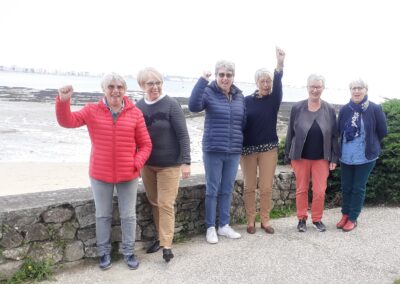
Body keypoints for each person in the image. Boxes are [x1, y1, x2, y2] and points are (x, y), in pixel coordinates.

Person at [55, 73, 152, 270]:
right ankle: (103, 252)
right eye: (111, 86)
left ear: (124, 90)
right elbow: (68, 121)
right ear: (104, 89)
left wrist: (136, 163)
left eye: (119, 87)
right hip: (100, 173)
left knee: (128, 215)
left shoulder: (135, 113)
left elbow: (146, 145)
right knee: (102, 215)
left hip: (128, 174)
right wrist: (63, 102)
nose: (115, 90)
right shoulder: (92, 110)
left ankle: (128, 252)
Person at [136, 67, 191, 262]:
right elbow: (134, 136)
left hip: (170, 164)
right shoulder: (138, 106)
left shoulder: (171, 104)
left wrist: (186, 162)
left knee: (166, 203)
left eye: (158, 82)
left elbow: (183, 135)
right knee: (154, 202)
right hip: (147, 164)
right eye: (150, 83)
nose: (155, 87)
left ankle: (167, 245)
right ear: (142, 85)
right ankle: (160, 238)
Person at [189, 60, 245, 244]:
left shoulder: (239, 96)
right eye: (221, 74)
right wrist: (202, 81)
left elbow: (242, 121)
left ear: (233, 77)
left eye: (228, 75)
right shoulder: (208, 92)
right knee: (212, 190)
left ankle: (224, 226)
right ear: (216, 76)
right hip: (213, 149)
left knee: (227, 189)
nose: (225, 78)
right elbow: (193, 106)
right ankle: (211, 227)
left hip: (234, 150)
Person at [284, 74, 338, 232]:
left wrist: (334, 157)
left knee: (320, 191)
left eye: (318, 86)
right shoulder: (297, 108)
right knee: (301, 189)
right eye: (312, 86)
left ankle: (317, 219)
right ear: (307, 87)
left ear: (323, 88)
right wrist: (288, 155)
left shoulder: (329, 109)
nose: (315, 90)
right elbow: (290, 133)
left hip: (322, 157)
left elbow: (334, 135)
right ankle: (301, 219)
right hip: (300, 157)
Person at [241, 47, 285, 235]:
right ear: (257, 82)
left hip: (269, 149)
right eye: (263, 81)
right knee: (249, 187)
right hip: (248, 150)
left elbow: (279, 81)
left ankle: (265, 220)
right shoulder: (246, 101)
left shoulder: (274, 100)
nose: (266, 84)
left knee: (266, 187)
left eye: (268, 81)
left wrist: (280, 64)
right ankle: (250, 219)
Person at [336, 79, 387, 232]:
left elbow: (382, 131)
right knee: (346, 187)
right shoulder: (345, 109)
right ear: (350, 91)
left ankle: (353, 218)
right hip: (346, 156)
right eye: (353, 88)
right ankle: (345, 214)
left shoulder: (374, 108)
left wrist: (370, 143)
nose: (356, 91)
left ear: (366, 90)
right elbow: (339, 130)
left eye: (360, 88)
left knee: (358, 187)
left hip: (365, 157)